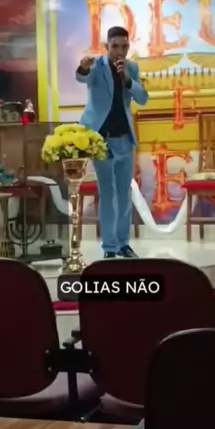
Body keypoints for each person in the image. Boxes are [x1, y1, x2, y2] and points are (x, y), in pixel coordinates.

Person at [76, 26, 148, 258]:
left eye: (124, 47)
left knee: (124, 194)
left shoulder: (131, 68)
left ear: (128, 47)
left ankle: (123, 244)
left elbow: (142, 98)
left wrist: (127, 80)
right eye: (115, 46)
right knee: (107, 194)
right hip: (101, 140)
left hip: (124, 139)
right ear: (107, 46)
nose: (119, 51)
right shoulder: (97, 66)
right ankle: (109, 248)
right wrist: (83, 67)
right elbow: (82, 77)